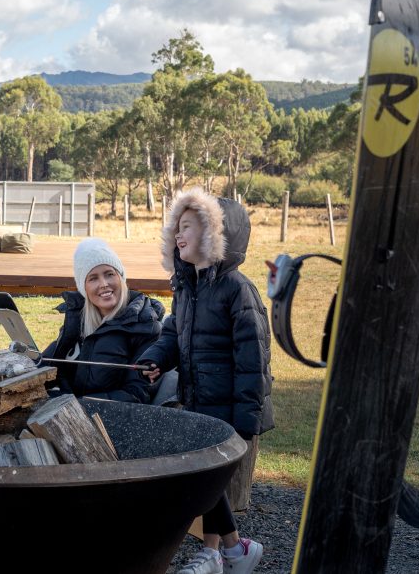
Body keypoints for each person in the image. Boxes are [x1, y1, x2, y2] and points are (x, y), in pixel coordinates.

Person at [139, 187, 273, 574]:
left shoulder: (237, 290)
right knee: (206, 480)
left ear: (215, 234)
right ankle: (231, 550)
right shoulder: (185, 286)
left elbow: (253, 360)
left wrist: (246, 421)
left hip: (229, 406)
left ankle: (221, 552)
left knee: (206, 480)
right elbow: (171, 335)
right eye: (176, 228)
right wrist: (154, 360)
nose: (178, 235)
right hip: (198, 400)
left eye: (188, 227)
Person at [39, 237, 164, 403]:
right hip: (67, 413)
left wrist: (75, 403)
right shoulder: (78, 320)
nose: (104, 284)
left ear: (121, 277)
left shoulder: (147, 325)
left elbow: (137, 394)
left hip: (110, 421)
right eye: (93, 278)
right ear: (84, 288)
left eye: (109, 274)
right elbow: (46, 365)